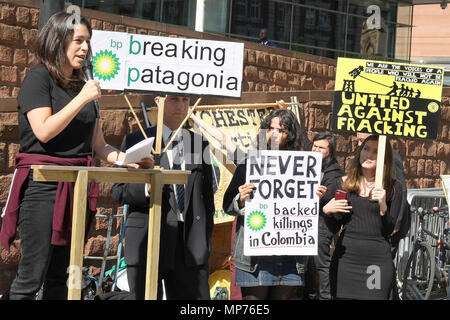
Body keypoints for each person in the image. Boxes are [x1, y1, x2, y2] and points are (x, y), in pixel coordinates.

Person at [0, 12, 153, 300]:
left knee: (64, 276)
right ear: (58, 41)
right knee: (32, 276)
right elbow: (43, 131)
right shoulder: (39, 78)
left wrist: (126, 159)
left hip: (76, 189)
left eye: (88, 42)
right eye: (78, 41)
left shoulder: (82, 84)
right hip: (43, 186)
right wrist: (82, 98)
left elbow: (99, 145)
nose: (85, 49)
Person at [111, 94, 215, 300]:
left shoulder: (197, 142)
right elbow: (119, 190)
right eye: (174, 99)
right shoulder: (137, 139)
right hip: (148, 237)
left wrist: (204, 238)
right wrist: (146, 189)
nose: (181, 105)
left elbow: (206, 196)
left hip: (190, 243)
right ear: (158, 101)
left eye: (185, 100)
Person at [223, 109, 310, 300]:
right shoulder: (248, 164)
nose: (275, 134)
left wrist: (313, 197)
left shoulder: (302, 168)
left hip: (289, 257)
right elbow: (227, 205)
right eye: (271, 129)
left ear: (291, 135)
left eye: (282, 130)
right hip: (254, 259)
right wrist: (240, 199)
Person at [323, 134, 403, 299]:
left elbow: (389, 230)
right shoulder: (343, 184)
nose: (369, 155)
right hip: (346, 260)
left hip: (377, 262)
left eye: (375, 151)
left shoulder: (394, 187)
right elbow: (334, 226)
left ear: (384, 157)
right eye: (366, 149)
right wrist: (328, 211)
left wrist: (383, 206)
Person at [356, 132, 409, 300]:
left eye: (361, 140)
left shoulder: (391, 158)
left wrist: (395, 226)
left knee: (381, 284)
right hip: (368, 236)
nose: (359, 145)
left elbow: (401, 191)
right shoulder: (360, 164)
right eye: (359, 142)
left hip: (388, 231)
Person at [310, 131, 344, 300]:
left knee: (321, 265)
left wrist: (322, 196)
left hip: (323, 226)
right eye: (314, 146)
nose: (315, 150)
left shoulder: (334, 174)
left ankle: (325, 297)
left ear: (330, 151)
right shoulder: (311, 165)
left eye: (321, 148)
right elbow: (303, 139)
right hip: (309, 222)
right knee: (309, 265)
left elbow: (332, 202)